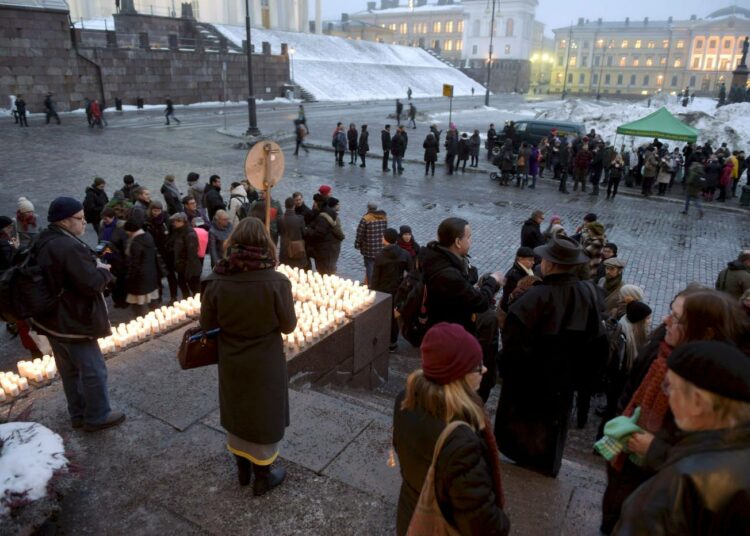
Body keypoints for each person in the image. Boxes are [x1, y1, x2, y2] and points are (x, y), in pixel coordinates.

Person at [600, 288, 749, 534]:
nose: (665, 320)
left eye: (677, 318)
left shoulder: (715, 378)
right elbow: (628, 392)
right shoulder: (659, 350)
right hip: (626, 470)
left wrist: (654, 450)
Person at [495, 235, 608, 477]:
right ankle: (546, 464)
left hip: (531, 380)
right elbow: (598, 342)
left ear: (551, 264)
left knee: (525, 430)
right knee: (553, 428)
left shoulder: (533, 299)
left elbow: (513, 347)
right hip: (565, 382)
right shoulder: (589, 292)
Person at [200, 217, 297, 496]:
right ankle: (263, 477)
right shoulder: (277, 281)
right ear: (265, 245)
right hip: (265, 358)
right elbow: (288, 325)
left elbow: (207, 325)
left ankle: (242, 470)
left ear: (234, 242)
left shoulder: (217, 278)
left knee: (237, 409)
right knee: (263, 412)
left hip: (231, 356)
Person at [393, 322, 511, 536]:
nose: (484, 369)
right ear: (459, 375)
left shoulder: (405, 400)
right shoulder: (461, 443)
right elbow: (484, 524)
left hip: (410, 516)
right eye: (477, 366)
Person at [32, 197, 124, 432]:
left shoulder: (45, 238)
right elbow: (92, 284)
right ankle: (97, 416)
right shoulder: (68, 246)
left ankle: (78, 414)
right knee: (93, 370)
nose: (84, 223)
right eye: (80, 219)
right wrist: (103, 270)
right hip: (73, 321)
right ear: (65, 221)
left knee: (70, 372)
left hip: (52, 321)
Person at [420, 218, 503, 402]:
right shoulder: (448, 274)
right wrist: (493, 281)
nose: (471, 241)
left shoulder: (436, 257)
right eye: (469, 237)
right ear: (457, 242)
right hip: (449, 337)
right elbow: (480, 302)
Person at [371, 228, 411, 352]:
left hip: (383, 290)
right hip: (398, 290)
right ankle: (393, 342)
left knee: (383, 315)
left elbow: (375, 278)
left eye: (383, 237)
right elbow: (411, 272)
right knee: (394, 316)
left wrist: (373, 292)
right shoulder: (404, 254)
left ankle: (381, 339)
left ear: (386, 239)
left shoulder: (380, 256)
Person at [123, 215, 160, 318]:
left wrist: (129, 278)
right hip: (151, 275)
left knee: (139, 304)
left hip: (139, 279)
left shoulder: (135, 242)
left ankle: (144, 322)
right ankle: (159, 319)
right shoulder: (148, 236)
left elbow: (134, 264)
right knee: (152, 300)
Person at [143, 201, 177, 302]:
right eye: (154, 211)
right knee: (157, 274)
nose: (156, 213)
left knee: (171, 274)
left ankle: (173, 296)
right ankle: (159, 295)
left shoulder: (167, 220)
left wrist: (169, 245)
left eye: (158, 211)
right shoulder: (148, 222)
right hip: (155, 252)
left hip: (167, 251)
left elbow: (173, 234)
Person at [304, 197, 344, 275]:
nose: (313, 204)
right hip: (328, 249)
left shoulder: (323, 217)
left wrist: (307, 230)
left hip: (325, 250)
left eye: (315, 202)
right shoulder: (327, 214)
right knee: (327, 268)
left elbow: (319, 233)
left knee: (325, 271)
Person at [354, 202, 388, 285]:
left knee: (369, 266)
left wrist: (357, 244)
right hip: (381, 247)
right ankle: (379, 283)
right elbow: (385, 231)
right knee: (379, 266)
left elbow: (360, 233)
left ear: (368, 208)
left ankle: (371, 284)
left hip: (369, 248)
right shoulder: (384, 217)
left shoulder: (366, 218)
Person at [169, 212, 201, 296]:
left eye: (175, 222)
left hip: (190, 268)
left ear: (181, 221)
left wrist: (189, 271)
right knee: (182, 285)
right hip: (181, 267)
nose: (173, 224)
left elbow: (192, 255)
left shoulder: (189, 234)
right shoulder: (178, 231)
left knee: (195, 289)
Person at [500, 247, 535, 313]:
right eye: (530, 260)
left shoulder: (527, 270)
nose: (533, 262)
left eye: (533, 260)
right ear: (520, 259)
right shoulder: (512, 277)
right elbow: (511, 298)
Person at [278, 197, 308, 269]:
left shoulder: (280, 219)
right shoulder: (300, 218)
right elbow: (304, 233)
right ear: (294, 206)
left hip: (284, 250)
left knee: (285, 270)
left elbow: (279, 232)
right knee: (298, 271)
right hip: (297, 250)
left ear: (285, 206)